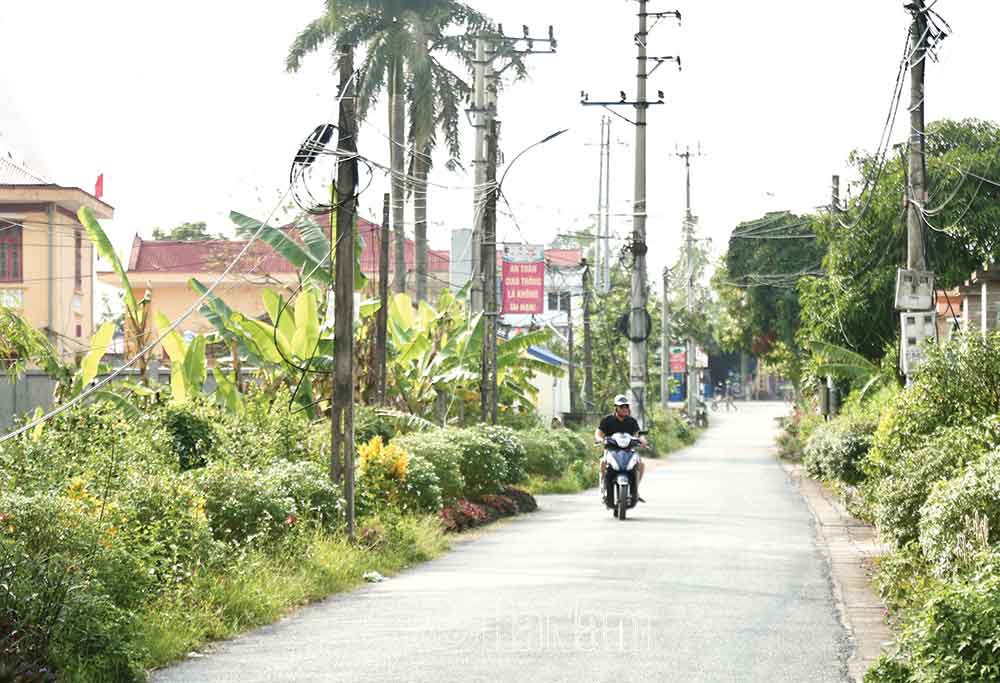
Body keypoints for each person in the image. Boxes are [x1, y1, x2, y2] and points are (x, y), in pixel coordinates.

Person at [594, 394, 647, 505]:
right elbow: (599, 433)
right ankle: (603, 488)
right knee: (603, 462)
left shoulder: (632, 421)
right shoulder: (607, 420)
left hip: (628, 451)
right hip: (611, 450)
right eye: (622, 406)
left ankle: (635, 490)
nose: (625, 409)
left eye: (626, 406)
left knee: (641, 464)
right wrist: (599, 439)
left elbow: (638, 434)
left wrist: (642, 440)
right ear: (616, 408)